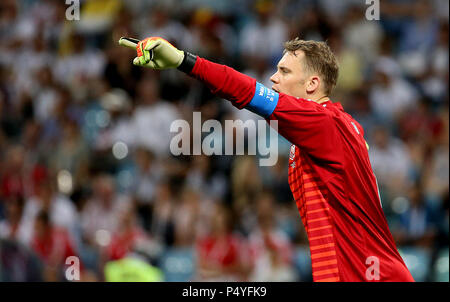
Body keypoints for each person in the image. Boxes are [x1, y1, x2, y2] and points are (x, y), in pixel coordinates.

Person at [119, 36, 414, 282]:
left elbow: (244, 90)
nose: (274, 77)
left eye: (284, 71)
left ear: (312, 84)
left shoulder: (322, 121)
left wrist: (183, 60)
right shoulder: (337, 127)